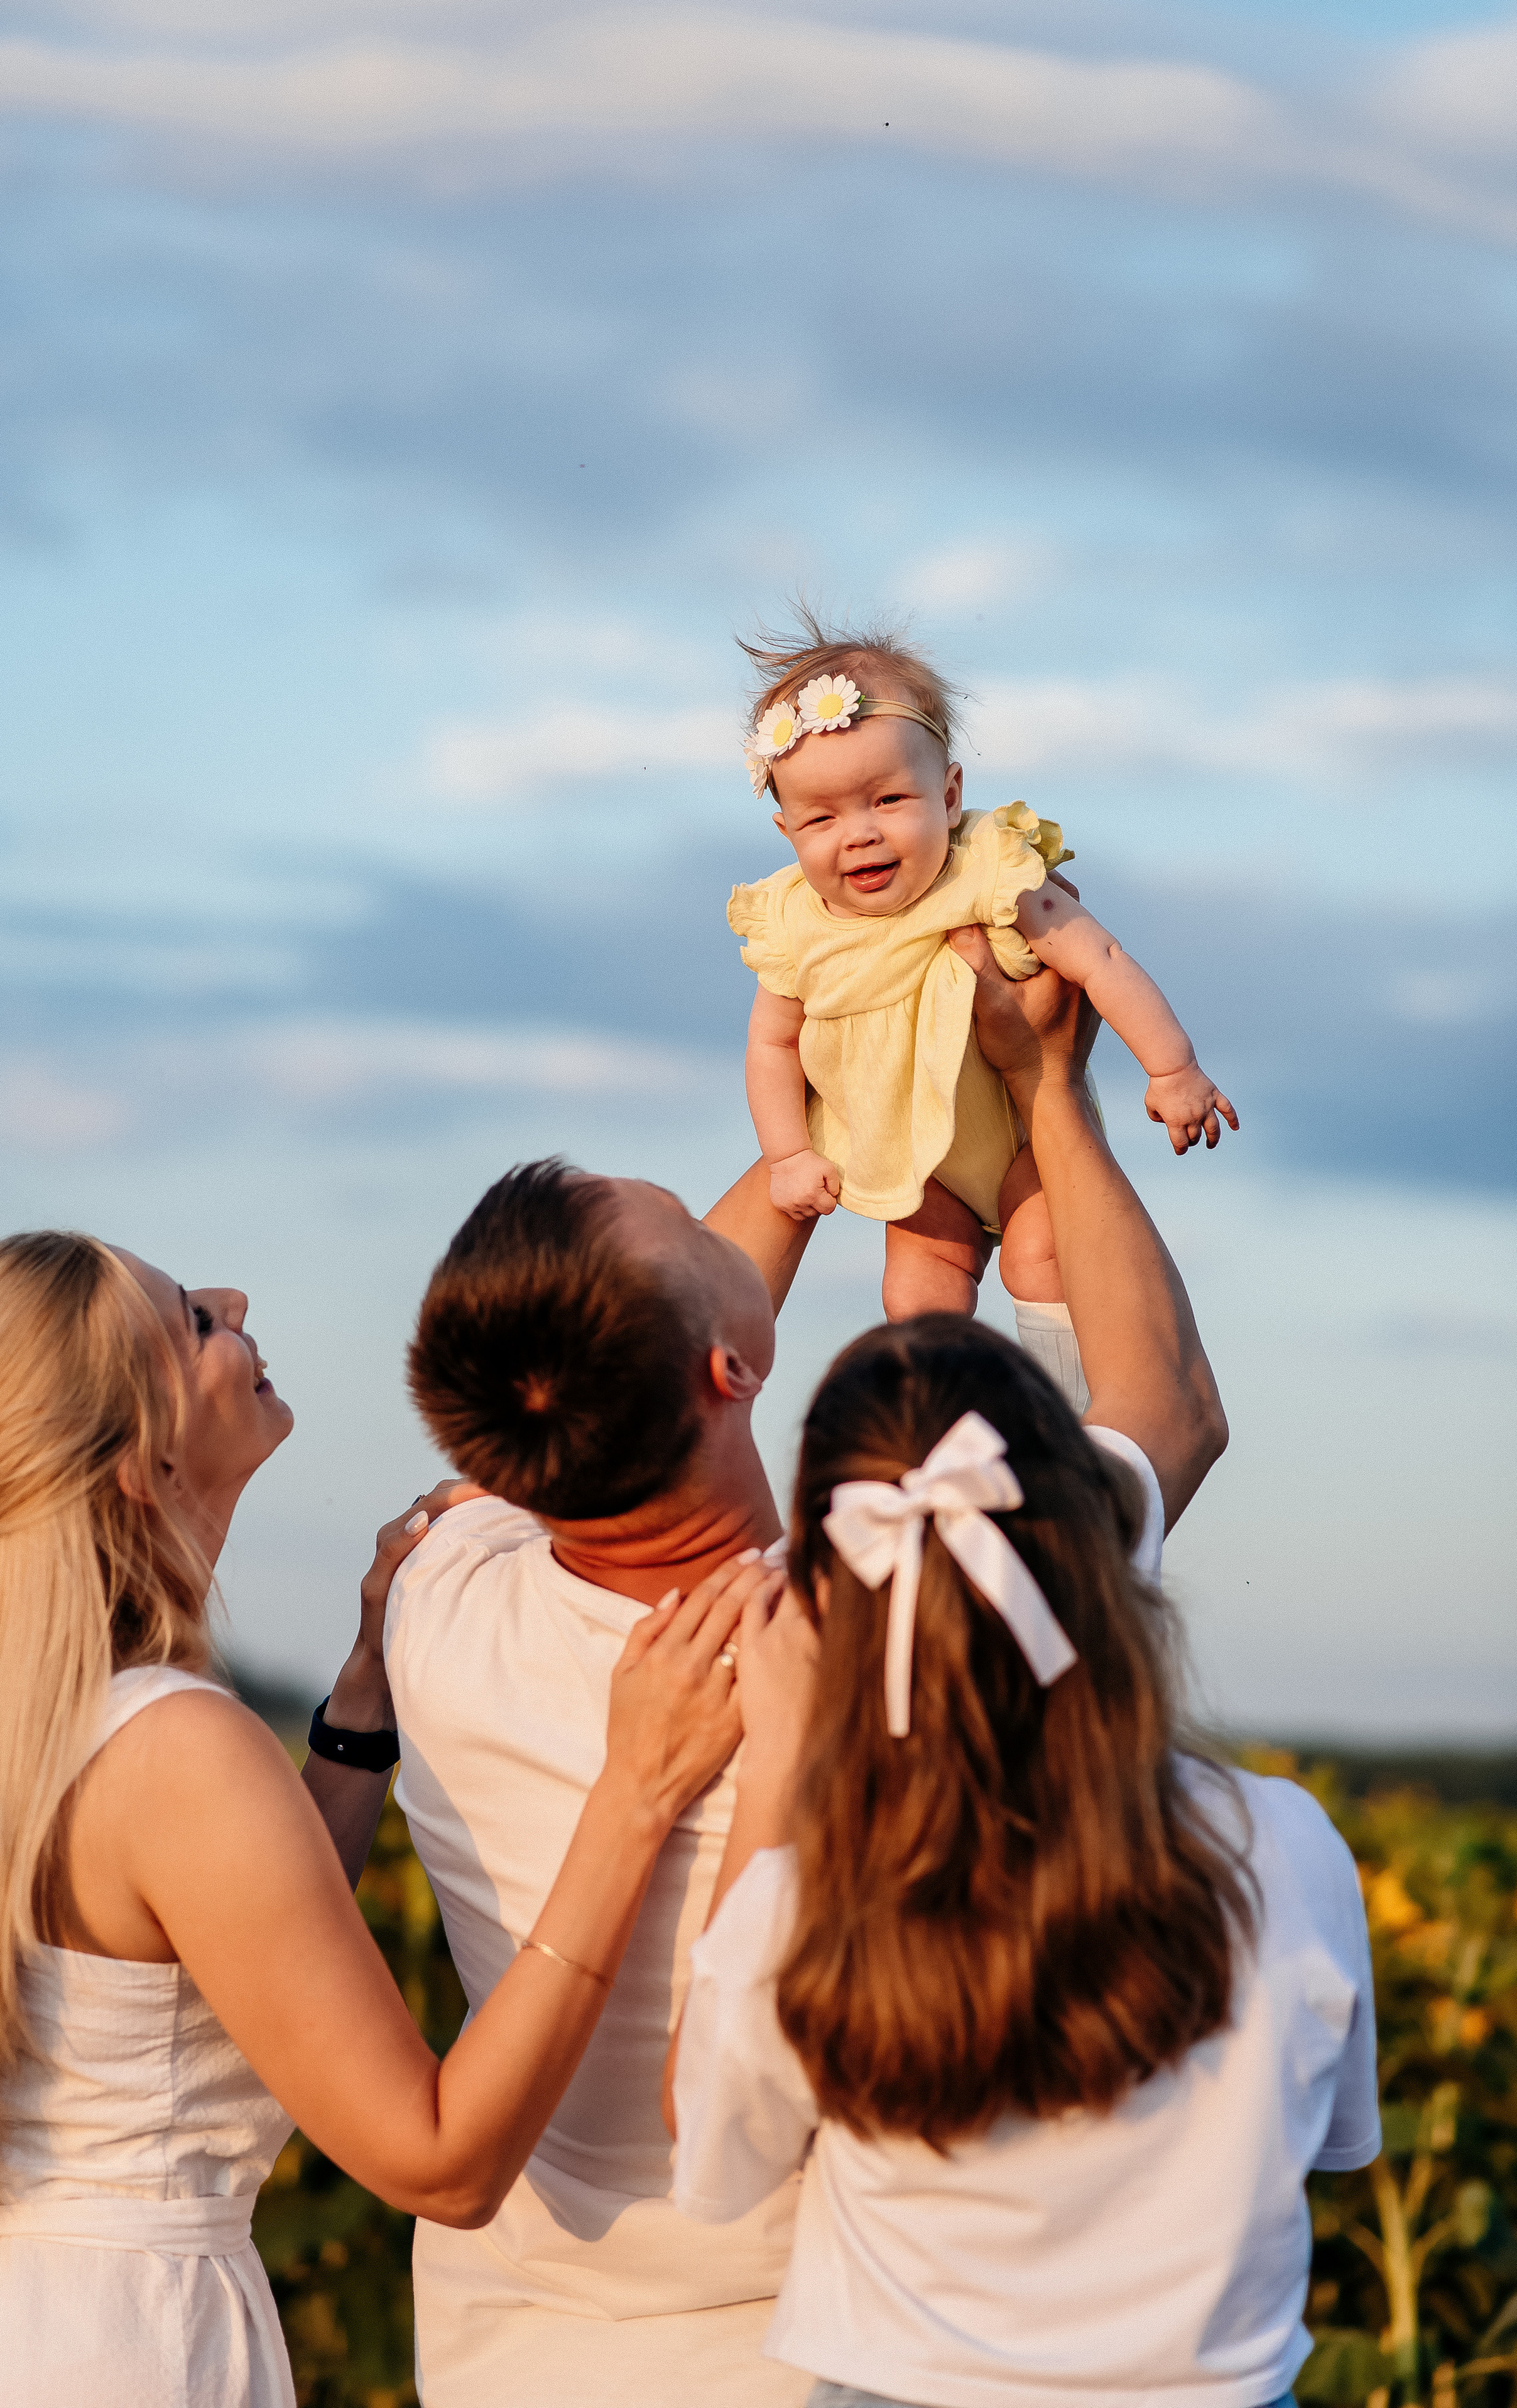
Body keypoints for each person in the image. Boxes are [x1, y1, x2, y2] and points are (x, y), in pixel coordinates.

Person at [382, 938, 1228, 2408]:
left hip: (507, 2343)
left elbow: (593, 1361)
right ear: (730, 1369)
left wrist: (847, 1071)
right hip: (820, 2343)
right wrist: (1042, 1086)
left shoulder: (435, 1592)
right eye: (692, 1222)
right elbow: (1170, 1404)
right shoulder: (910, 1620)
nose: (731, 1214)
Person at [0, 1231, 763, 2406]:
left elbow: (235, 1944)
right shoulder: (172, 1744)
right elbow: (441, 2160)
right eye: (192, 1321)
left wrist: (361, 1701)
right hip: (125, 2346)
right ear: (140, 1460)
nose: (233, 1297)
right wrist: (638, 1789)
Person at [668, 1312, 1379, 2408]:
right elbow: (1333, 2140)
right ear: (1096, 1540)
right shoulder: (1282, 1842)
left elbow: (715, 2155)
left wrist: (774, 1772)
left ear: (819, 1598)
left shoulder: (811, 1896)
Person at [725, 609, 1237, 1326]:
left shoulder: (986, 869)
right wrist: (785, 1156)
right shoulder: (792, 922)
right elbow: (772, 1043)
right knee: (916, 1290)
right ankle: (942, 1391)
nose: (860, 833)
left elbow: (1099, 957)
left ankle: (1066, 1393)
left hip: (1028, 1132)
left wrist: (1172, 1067)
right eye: (822, 819)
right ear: (787, 831)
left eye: (888, 800)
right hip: (914, 1158)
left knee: (1040, 1257)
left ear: (949, 797)